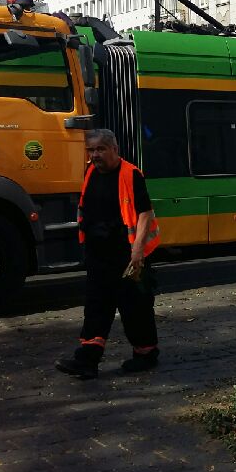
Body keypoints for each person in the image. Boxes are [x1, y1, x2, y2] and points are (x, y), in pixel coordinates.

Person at [56, 129, 161, 379]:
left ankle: (146, 354)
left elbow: (145, 213)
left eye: (100, 149)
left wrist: (137, 251)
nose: (94, 155)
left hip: (126, 255)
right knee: (96, 306)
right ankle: (88, 359)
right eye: (90, 150)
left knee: (135, 308)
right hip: (98, 254)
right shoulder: (90, 172)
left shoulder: (131, 174)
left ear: (114, 149)